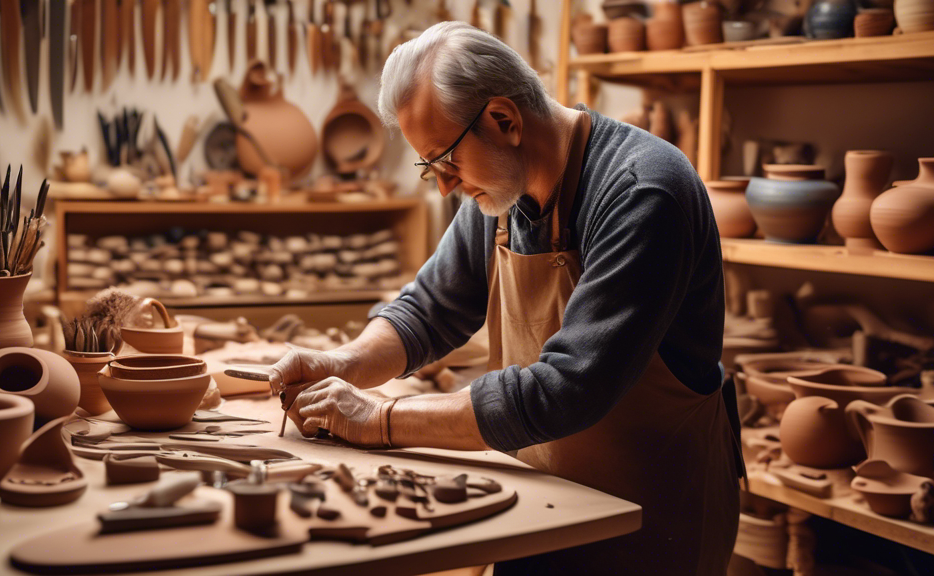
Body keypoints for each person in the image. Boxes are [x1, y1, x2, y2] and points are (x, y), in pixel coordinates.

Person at [270, 21, 742, 574]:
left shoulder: (642, 190)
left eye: (446, 160)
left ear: (504, 120)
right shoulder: (500, 190)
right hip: (544, 502)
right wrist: (342, 363)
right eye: (430, 167)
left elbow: (567, 390)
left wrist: (379, 419)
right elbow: (428, 310)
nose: (444, 185)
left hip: (651, 518)